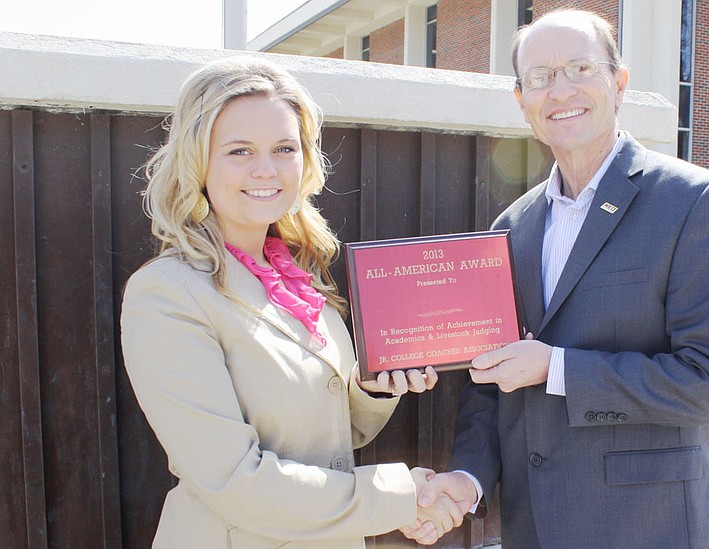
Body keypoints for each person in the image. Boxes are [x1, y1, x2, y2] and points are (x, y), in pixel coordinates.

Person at [405, 9, 709, 549]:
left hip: (649, 528)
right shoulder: (512, 227)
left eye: (579, 68)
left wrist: (557, 367)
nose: (560, 89)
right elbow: (491, 384)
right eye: (541, 77)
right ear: (522, 102)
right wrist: (467, 479)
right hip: (535, 529)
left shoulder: (695, 202)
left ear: (619, 83)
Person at [120, 56, 462, 548]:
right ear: (198, 161)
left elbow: (334, 437)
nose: (267, 169)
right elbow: (235, 481)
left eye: (285, 147)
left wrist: (373, 389)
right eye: (239, 150)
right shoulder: (167, 294)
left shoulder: (302, 284)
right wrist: (400, 497)